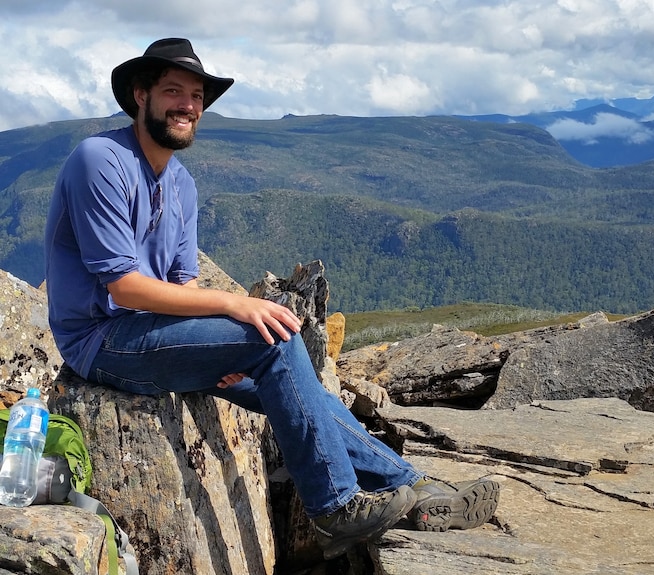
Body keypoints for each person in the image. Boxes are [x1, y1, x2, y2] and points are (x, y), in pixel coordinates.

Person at [44, 38, 499, 560]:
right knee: (275, 343)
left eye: (196, 96)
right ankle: (334, 508)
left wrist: (218, 349)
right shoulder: (100, 160)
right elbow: (122, 286)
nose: (187, 105)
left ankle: (414, 489)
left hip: (156, 336)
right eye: (173, 91)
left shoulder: (182, 185)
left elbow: (183, 286)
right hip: (101, 341)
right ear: (140, 95)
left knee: (290, 385)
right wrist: (236, 307)